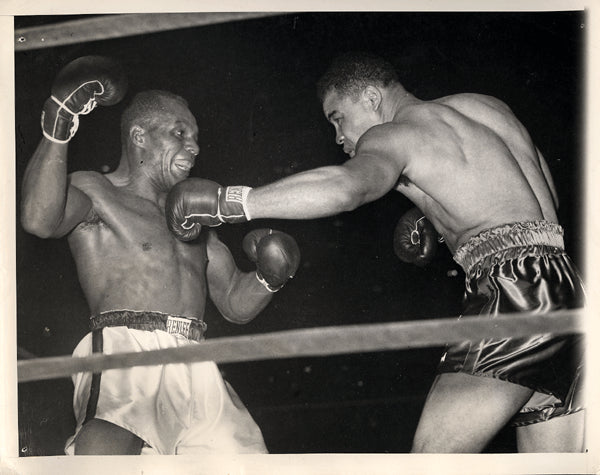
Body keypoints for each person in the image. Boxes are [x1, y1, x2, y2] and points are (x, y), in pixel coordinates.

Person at [165, 52, 585, 453]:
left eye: (338, 118)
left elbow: (347, 188)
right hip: (570, 291)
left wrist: (232, 202)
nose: (340, 138)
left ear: (371, 98)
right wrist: (442, 225)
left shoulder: (396, 134)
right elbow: (540, 202)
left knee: (433, 458)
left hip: (518, 293)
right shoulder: (485, 108)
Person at [20, 56, 301, 455]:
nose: (195, 147)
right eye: (180, 133)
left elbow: (235, 303)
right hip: (126, 346)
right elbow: (38, 219)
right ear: (139, 136)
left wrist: (271, 272)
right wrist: (59, 121)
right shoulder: (97, 191)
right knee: (105, 457)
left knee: (246, 461)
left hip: (196, 358)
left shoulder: (193, 217)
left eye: (196, 137)